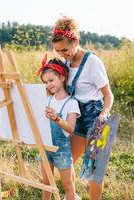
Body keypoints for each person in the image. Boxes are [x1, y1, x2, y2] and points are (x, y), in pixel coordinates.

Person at [51, 16, 114, 200]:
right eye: (58, 51)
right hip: (75, 118)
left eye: (65, 49)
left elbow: (108, 94)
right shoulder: (65, 64)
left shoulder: (93, 62)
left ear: (76, 41)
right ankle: (72, 196)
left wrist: (104, 114)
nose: (63, 54)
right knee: (66, 162)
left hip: (96, 117)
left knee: (94, 170)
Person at [36, 55, 81, 200]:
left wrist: (56, 118)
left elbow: (71, 128)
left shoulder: (71, 103)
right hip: (45, 147)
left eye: (51, 80)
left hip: (61, 150)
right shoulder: (47, 99)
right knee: (46, 182)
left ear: (62, 77)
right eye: (45, 82)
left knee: (67, 185)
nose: (48, 84)